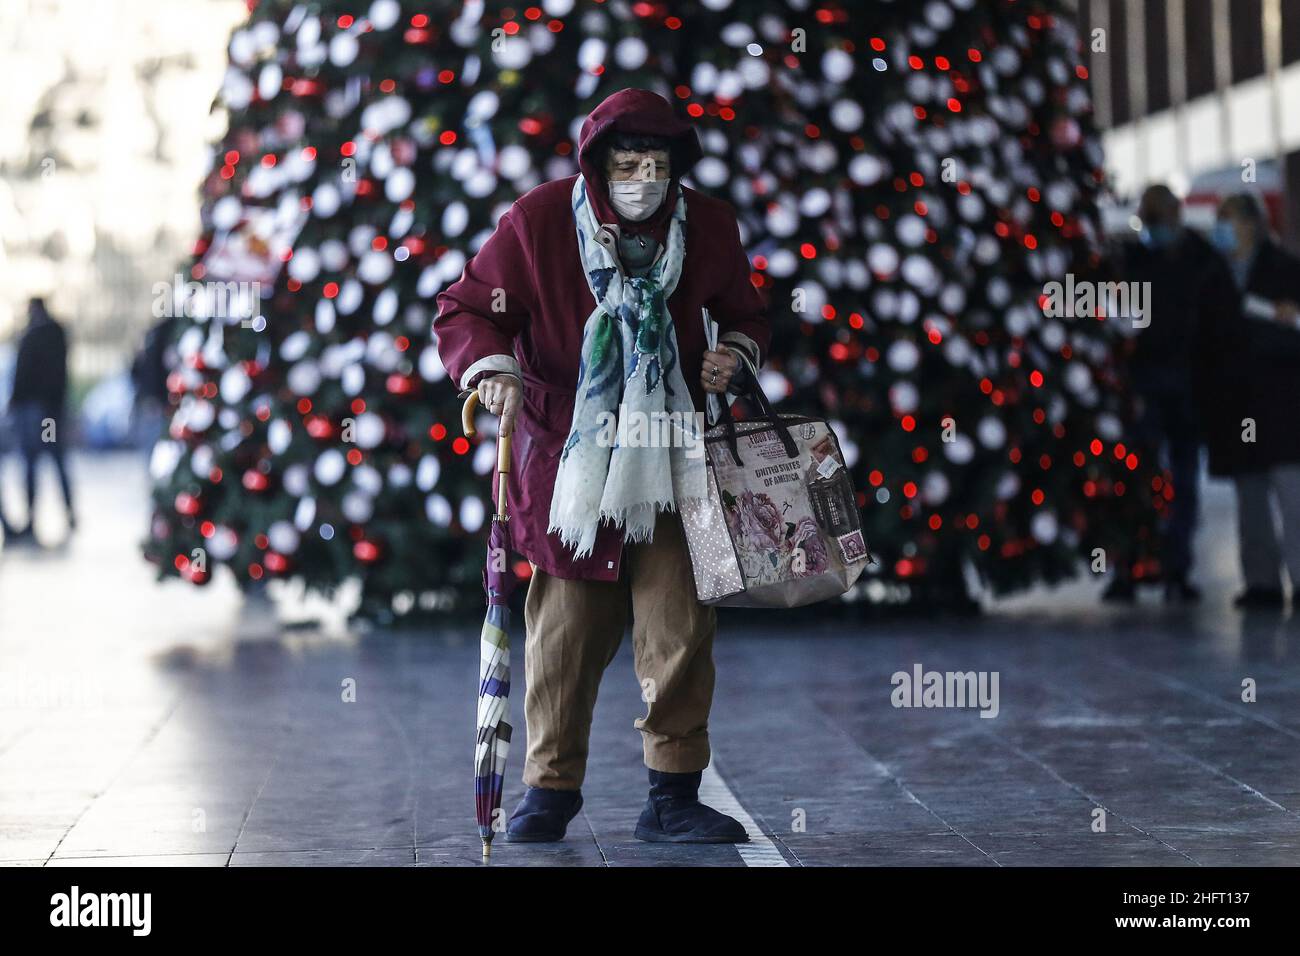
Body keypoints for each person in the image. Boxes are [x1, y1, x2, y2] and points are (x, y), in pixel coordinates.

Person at [435, 88, 769, 844]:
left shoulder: (709, 226)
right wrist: (492, 368)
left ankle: (673, 796)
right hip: (569, 462)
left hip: (676, 454)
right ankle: (549, 791)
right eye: (627, 163)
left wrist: (734, 356)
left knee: (679, 626)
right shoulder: (540, 221)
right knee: (564, 633)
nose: (643, 177)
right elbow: (466, 309)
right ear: (596, 166)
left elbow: (749, 311)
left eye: (657, 163)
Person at [1104, 185, 1240, 604]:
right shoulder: (1135, 261)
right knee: (1140, 477)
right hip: (1146, 383)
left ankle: (1175, 568)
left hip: (1185, 384)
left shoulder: (1203, 264)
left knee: (1182, 482)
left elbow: (1220, 327)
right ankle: (1130, 566)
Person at [1209, 193, 1300, 608]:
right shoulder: (1215, 276)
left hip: (1281, 403)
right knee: (1250, 499)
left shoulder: (1284, 270)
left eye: (1228, 220)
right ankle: (1261, 582)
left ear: (1250, 224)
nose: (1221, 229)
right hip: (1236, 402)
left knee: (1292, 495)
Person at [9, 297, 76, 540]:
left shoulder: (35, 335)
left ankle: (33, 516)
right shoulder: (55, 334)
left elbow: (24, 375)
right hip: (50, 412)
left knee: (34, 462)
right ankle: (68, 512)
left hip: (37, 411)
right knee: (55, 459)